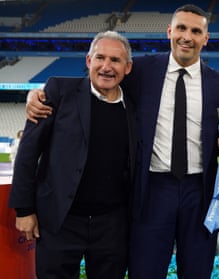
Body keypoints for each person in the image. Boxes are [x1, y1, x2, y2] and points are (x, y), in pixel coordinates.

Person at [25, 4, 219, 279]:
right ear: (169, 31)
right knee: (144, 271)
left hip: (200, 190)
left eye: (196, 31)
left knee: (197, 270)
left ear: (205, 38)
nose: (187, 36)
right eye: (181, 28)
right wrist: (38, 93)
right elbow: (99, 78)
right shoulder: (142, 71)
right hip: (152, 187)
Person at [8, 31, 136, 279]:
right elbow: (28, 152)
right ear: (89, 61)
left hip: (111, 225)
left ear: (128, 67)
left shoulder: (134, 104)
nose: (106, 67)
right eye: (100, 58)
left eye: (115, 60)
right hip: (60, 220)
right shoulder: (58, 92)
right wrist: (23, 209)